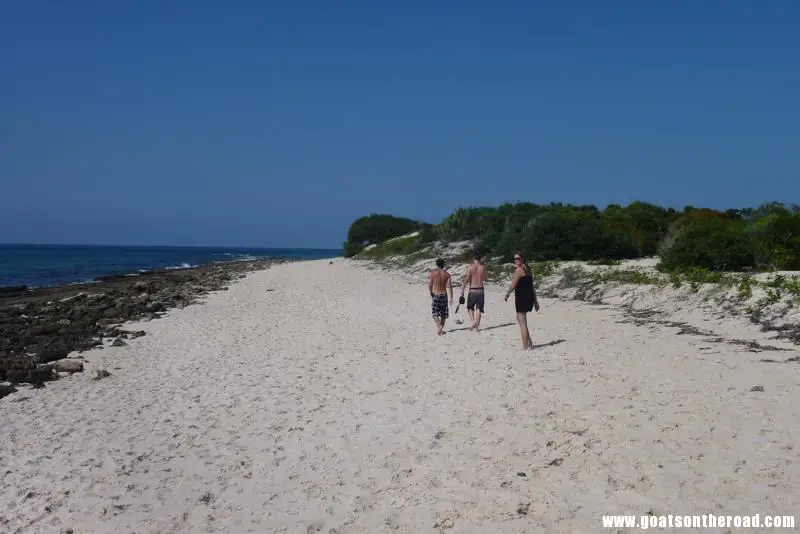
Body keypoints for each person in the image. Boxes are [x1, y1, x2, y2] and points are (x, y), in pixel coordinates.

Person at [504, 252, 540, 350]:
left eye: (518, 258)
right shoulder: (529, 269)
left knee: (522, 322)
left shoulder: (519, 270)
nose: (516, 260)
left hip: (522, 297)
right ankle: (530, 341)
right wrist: (535, 301)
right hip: (529, 297)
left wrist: (507, 294)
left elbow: (513, 284)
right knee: (520, 319)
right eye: (515, 259)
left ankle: (525, 347)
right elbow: (532, 286)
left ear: (522, 258)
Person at [460, 254, 488, 331]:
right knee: (479, 308)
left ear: (473, 259)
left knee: (470, 307)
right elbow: (485, 278)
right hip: (480, 289)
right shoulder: (483, 267)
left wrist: (463, 288)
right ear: (480, 259)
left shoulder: (470, 267)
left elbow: (467, 278)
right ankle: (477, 327)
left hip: (472, 289)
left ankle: (473, 321)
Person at [428, 258, 453, 335]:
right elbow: (449, 287)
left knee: (435, 313)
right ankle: (441, 328)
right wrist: (451, 298)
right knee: (443, 313)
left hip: (436, 294)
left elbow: (430, 285)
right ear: (443, 265)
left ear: (437, 265)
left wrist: (431, 292)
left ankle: (439, 327)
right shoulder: (447, 275)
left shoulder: (433, 274)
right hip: (444, 295)